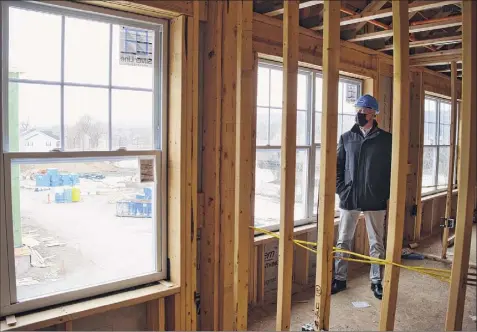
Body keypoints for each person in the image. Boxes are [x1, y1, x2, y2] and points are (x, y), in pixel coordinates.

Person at [331, 94, 392, 300]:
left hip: (375, 199)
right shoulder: (347, 137)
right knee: (343, 240)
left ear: (374, 114)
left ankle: (376, 281)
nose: (360, 113)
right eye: (358, 110)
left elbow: (392, 170)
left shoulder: (386, 140)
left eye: (365, 110)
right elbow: (338, 167)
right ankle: (339, 279)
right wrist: (342, 189)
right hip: (350, 198)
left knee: (376, 242)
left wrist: (384, 192)